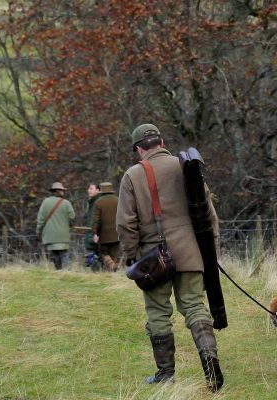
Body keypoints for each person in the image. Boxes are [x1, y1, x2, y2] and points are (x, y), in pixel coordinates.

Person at [116, 123, 223, 391]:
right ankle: (210, 366)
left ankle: (165, 374)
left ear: (139, 149)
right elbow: (209, 213)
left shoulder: (133, 175)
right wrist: (210, 250)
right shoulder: (187, 166)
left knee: (158, 313)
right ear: (161, 141)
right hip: (191, 252)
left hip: (154, 259)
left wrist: (132, 256)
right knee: (196, 307)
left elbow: (125, 224)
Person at [36, 182, 76, 270]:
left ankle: (58, 273)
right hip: (63, 236)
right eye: (62, 190)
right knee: (64, 255)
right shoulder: (66, 203)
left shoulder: (45, 202)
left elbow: (40, 220)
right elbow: (72, 217)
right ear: (58, 191)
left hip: (50, 236)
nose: (63, 192)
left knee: (55, 257)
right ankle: (67, 274)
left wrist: (38, 232)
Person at [92, 182, 120, 272]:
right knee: (114, 255)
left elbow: (96, 220)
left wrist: (95, 233)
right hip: (117, 233)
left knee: (103, 253)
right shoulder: (118, 200)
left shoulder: (98, 202)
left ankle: (111, 266)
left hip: (104, 235)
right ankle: (112, 273)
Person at [84, 182, 102, 270]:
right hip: (92, 234)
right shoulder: (92, 202)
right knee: (94, 257)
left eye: (91, 188)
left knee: (97, 257)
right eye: (89, 188)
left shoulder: (98, 202)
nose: (89, 190)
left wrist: (96, 233)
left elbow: (98, 220)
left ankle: (100, 273)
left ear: (98, 190)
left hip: (96, 234)